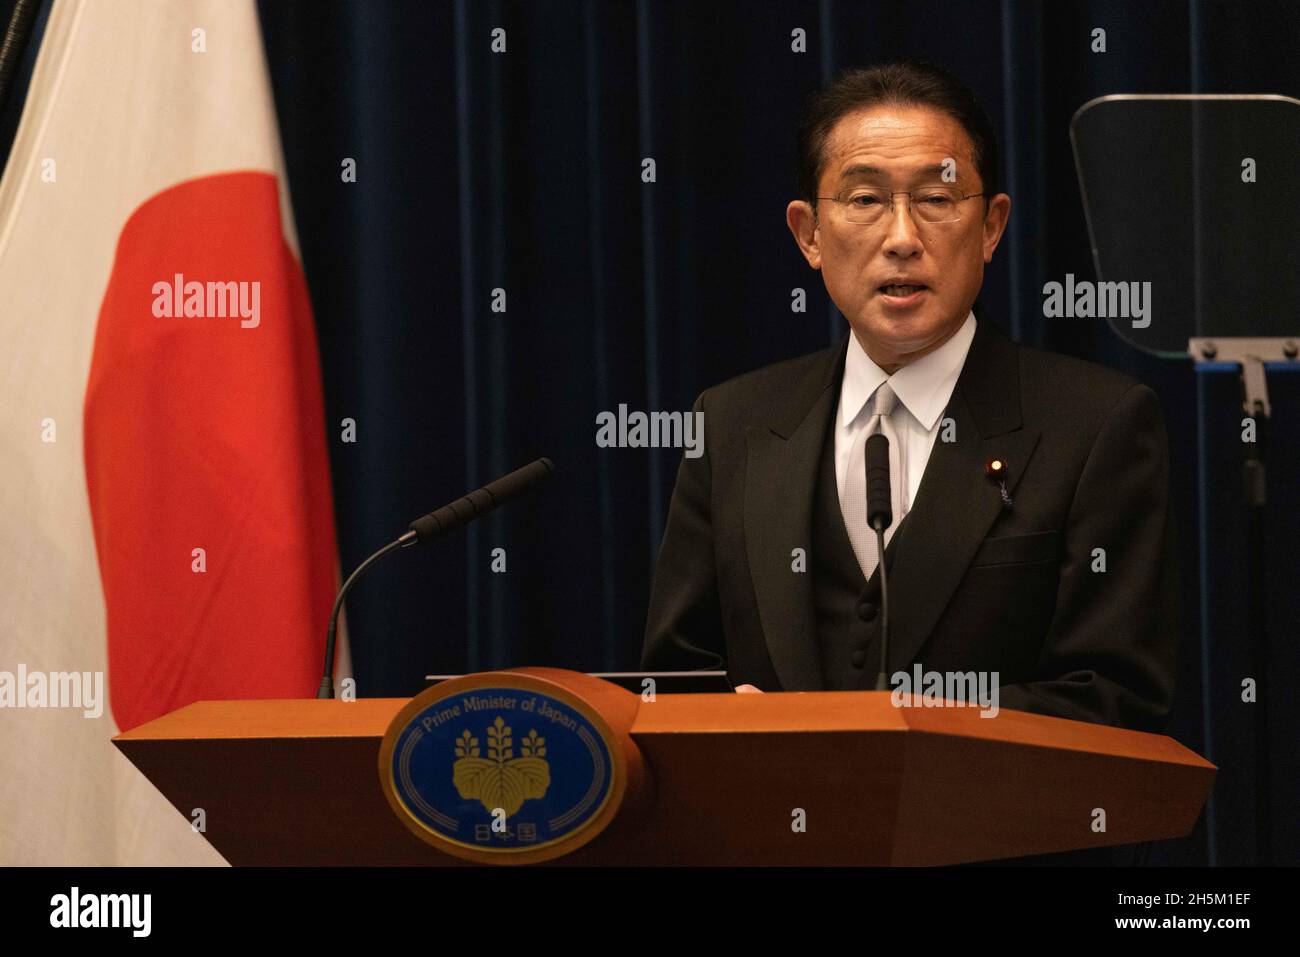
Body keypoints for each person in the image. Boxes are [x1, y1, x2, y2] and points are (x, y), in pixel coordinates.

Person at [640, 59, 1178, 736]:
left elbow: (1116, 699)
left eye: (937, 199)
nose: (901, 239)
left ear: (990, 227)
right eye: (864, 200)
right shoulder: (730, 423)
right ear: (808, 233)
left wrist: (904, 733)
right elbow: (675, 678)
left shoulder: (1098, 424)